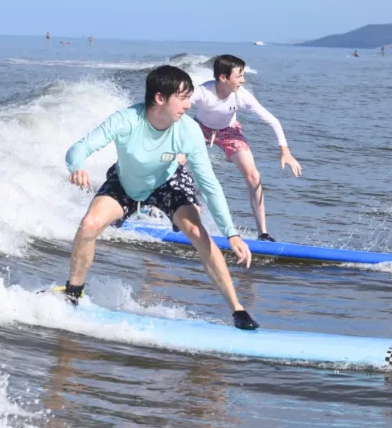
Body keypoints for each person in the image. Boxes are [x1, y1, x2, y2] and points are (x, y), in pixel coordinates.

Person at [64, 64, 260, 330]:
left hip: (169, 182)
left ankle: (238, 310)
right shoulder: (126, 120)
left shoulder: (188, 130)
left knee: (196, 232)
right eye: (182, 97)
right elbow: (80, 148)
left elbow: (209, 184)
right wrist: (77, 166)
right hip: (126, 182)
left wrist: (231, 234)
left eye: (190, 97)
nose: (189, 105)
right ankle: (73, 293)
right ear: (159, 98)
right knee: (88, 225)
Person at [190, 54, 301, 242]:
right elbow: (178, 106)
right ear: (223, 77)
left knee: (254, 176)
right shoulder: (203, 92)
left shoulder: (242, 97)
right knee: (177, 163)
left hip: (229, 132)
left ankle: (263, 233)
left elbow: (272, 121)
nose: (243, 79)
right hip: (199, 129)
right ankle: (158, 208)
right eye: (239, 75)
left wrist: (285, 151)